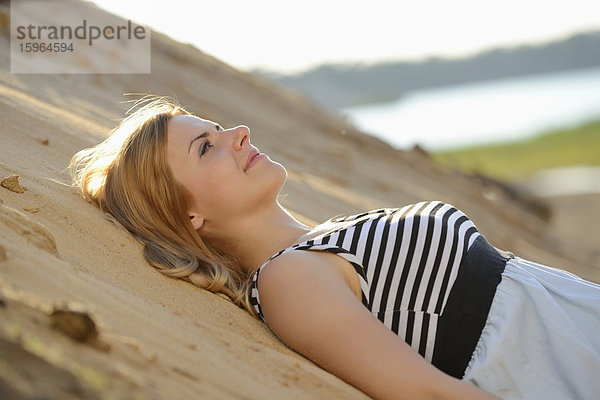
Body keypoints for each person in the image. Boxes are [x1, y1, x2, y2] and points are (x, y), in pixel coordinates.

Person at [68, 96, 600, 400]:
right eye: (206, 146)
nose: (239, 133)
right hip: (553, 367)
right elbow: (423, 393)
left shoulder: (319, 243)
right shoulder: (286, 279)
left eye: (219, 126)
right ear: (188, 215)